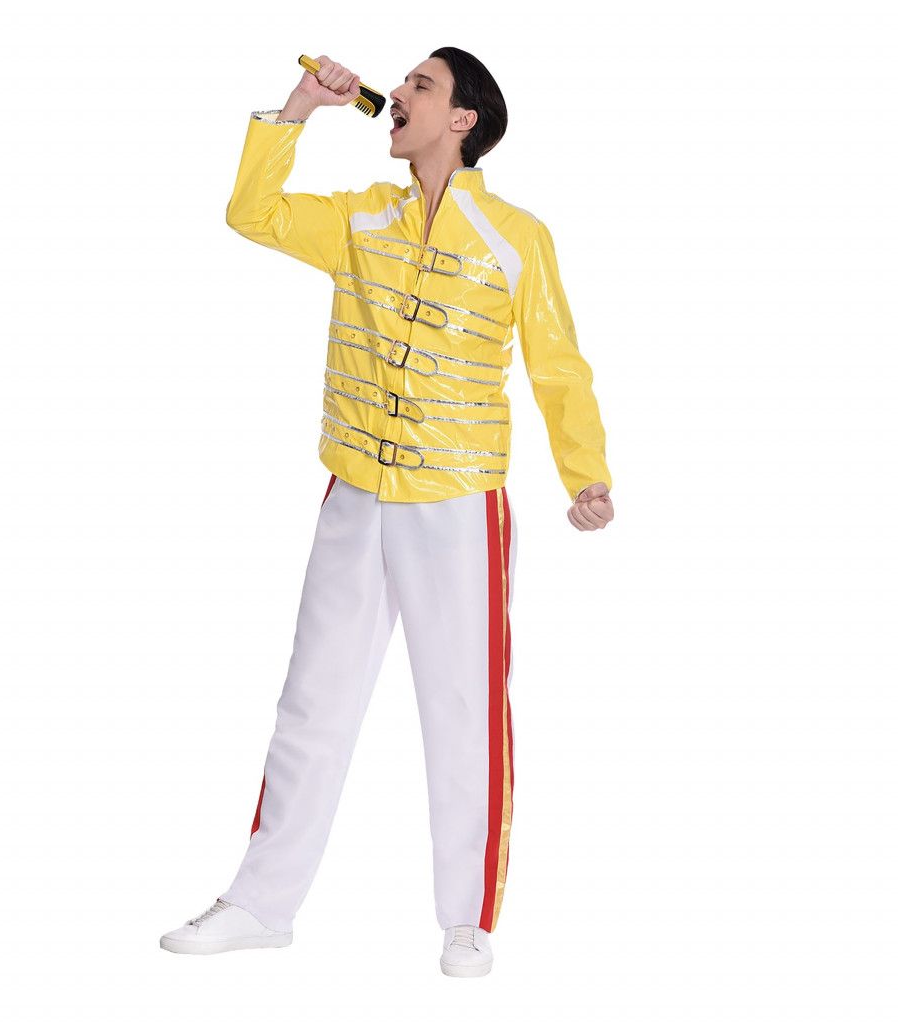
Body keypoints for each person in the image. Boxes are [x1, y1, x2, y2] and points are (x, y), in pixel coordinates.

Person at [160, 48, 615, 977]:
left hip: (458, 505)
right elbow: (252, 213)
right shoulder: (360, 218)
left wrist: (586, 474)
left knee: (464, 708)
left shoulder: (517, 237)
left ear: (463, 120)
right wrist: (298, 107)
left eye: (422, 86)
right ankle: (261, 903)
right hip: (355, 495)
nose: (398, 93)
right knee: (312, 702)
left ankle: (467, 920)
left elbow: (557, 364)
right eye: (401, 84)